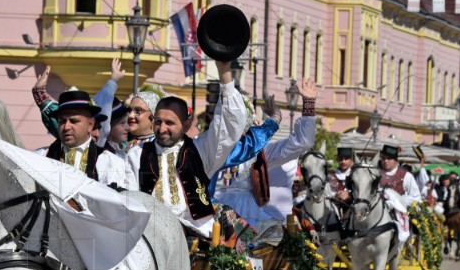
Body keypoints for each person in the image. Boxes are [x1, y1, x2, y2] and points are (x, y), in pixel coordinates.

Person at [124, 60, 246, 238]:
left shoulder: (200, 150)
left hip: (196, 236)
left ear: (186, 124)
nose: (162, 128)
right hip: (150, 235)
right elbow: (129, 199)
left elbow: (228, 125)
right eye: (158, 122)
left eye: (170, 123)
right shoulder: (137, 154)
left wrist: (224, 73)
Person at [212, 78, 320, 232]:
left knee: (262, 246)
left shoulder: (261, 152)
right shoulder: (206, 147)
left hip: (249, 217)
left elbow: (303, 142)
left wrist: (309, 103)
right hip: (210, 215)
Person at [35, 90, 126, 187]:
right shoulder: (40, 157)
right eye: (62, 121)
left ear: (90, 125)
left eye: (74, 121)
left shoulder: (109, 161)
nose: (66, 127)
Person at [328, 146, 355, 210]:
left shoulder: (354, 175)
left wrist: (349, 196)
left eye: (346, 159)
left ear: (351, 160)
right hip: (332, 208)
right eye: (341, 158)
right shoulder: (329, 175)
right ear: (337, 159)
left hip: (350, 209)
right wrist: (335, 195)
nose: (343, 161)